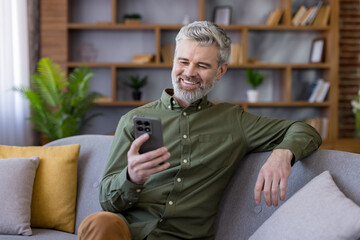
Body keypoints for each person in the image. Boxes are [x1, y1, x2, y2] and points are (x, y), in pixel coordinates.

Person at [78, 21, 322, 240]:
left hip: (186, 236)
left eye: (202, 65)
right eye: (183, 61)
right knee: (100, 222)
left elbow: (305, 130)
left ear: (220, 71)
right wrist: (131, 177)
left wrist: (283, 154)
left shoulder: (233, 120)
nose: (189, 72)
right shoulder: (132, 120)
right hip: (127, 232)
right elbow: (108, 200)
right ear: (173, 61)